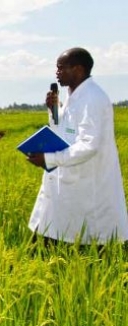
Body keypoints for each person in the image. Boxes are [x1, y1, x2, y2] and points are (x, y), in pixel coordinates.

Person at [27, 47, 128, 246]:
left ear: (79, 70)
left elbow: (89, 145)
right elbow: (64, 132)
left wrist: (49, 160)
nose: (57, 72)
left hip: (87, 181)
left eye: (62, 68)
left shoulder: (92, 99)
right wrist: (54, 111)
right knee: (55, 229)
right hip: (67, 180)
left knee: (89, 238)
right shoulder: (74, 97)